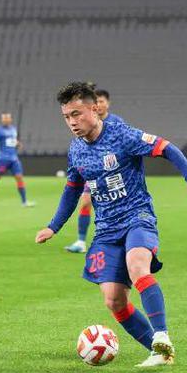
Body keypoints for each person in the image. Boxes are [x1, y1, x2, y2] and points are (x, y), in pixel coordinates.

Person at [35, 82, 187, 368]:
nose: (72, 122)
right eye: (66, 117)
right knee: (113, 300)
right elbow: (72, 190)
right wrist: (53, 226)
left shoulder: (122, 135)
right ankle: (159, 352)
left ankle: (162, 335)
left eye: (76, 114)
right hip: (105, 229)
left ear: (95, 109)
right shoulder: (76, 150)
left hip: (137, 216)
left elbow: (166, 148)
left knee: (137, 265)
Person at [65, 88, 125, 254]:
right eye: (96, 101)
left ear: (107, 104)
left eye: (101, 101)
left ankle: (123, 237)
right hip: (92, 173)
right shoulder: (84, 122)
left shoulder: (117, 122)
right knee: (85, 201)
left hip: (113, 173)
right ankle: (81, 241)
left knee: (116, 205)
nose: (98, 104)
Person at [0, 113, 35, 207]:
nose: (5, 120)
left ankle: (24, 202)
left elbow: (12, 141)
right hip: (3, 160)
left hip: (14, 159)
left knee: (19, 177)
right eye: (3, 118)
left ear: (10, 119)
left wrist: (18, 144)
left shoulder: (13, 129)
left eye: (7, 118)